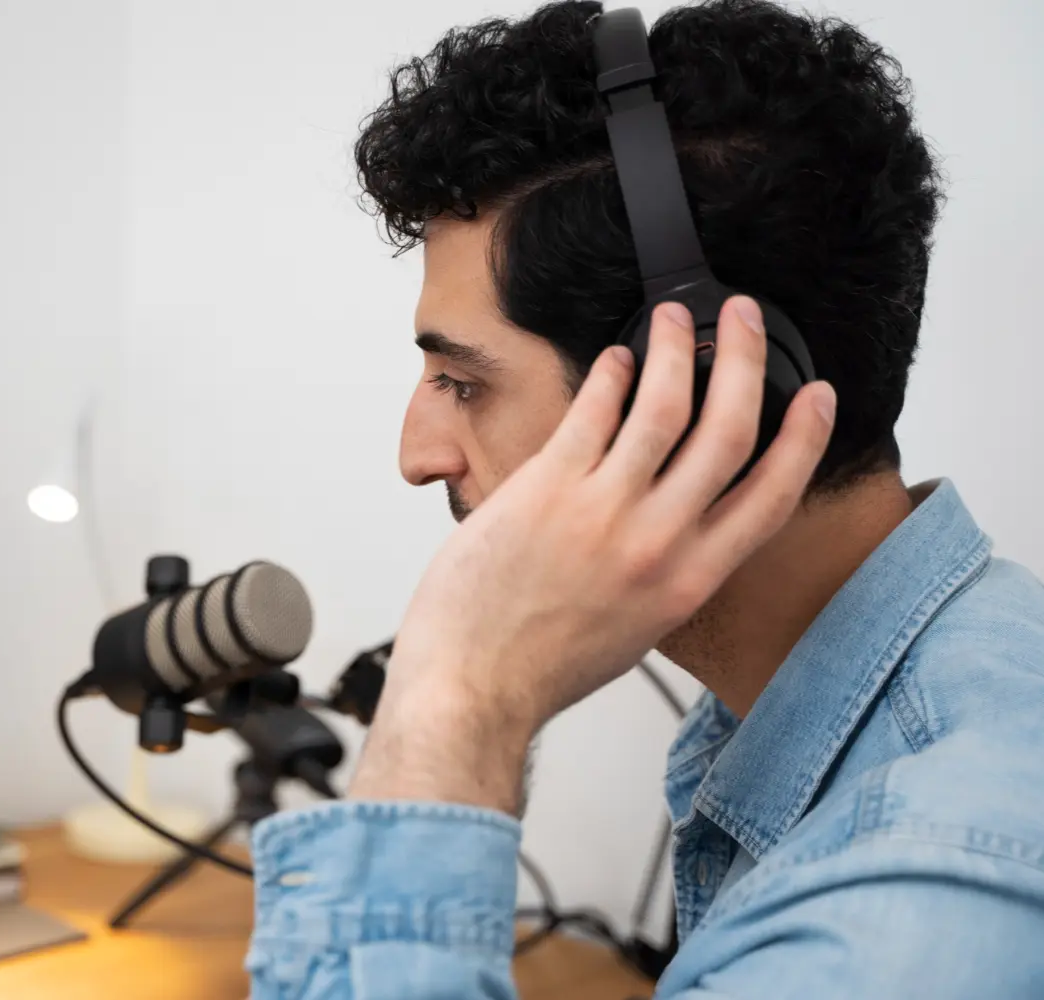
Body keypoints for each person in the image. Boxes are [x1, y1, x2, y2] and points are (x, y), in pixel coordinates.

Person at [244, 1, 1044, 997]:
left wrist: (459, 704)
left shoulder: (908, 918)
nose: (415, 455)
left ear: (713, 398)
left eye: (463, 381)